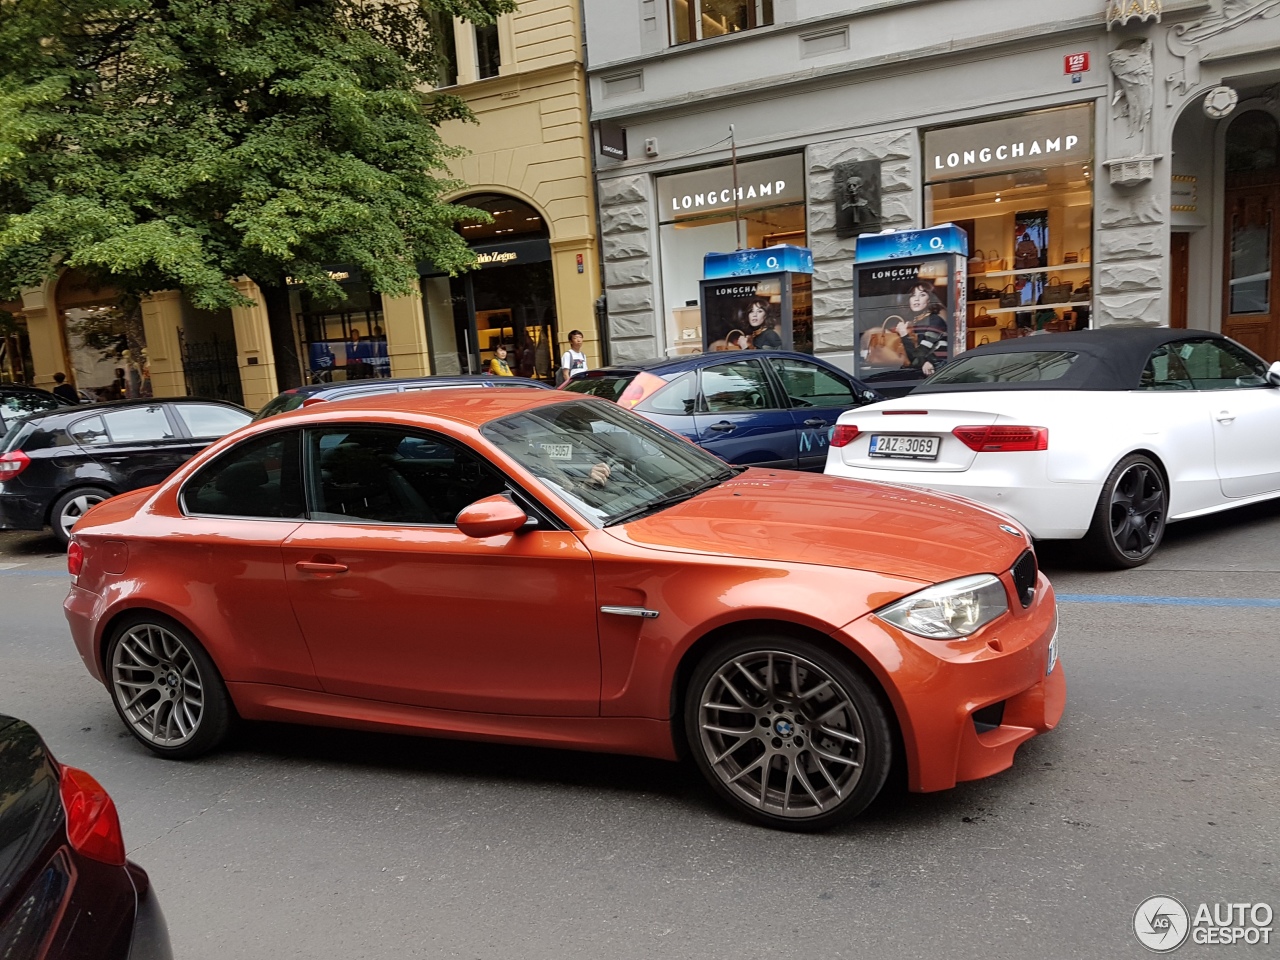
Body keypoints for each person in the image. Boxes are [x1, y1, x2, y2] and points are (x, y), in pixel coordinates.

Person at [894, 282, 949, 377]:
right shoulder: (918, 321)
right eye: (913, 295)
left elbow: (916, 359)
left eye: (922, 295)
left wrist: (903, 334)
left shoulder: (935, 321)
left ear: (929, 300)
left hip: (937, 374)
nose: (916, 299)